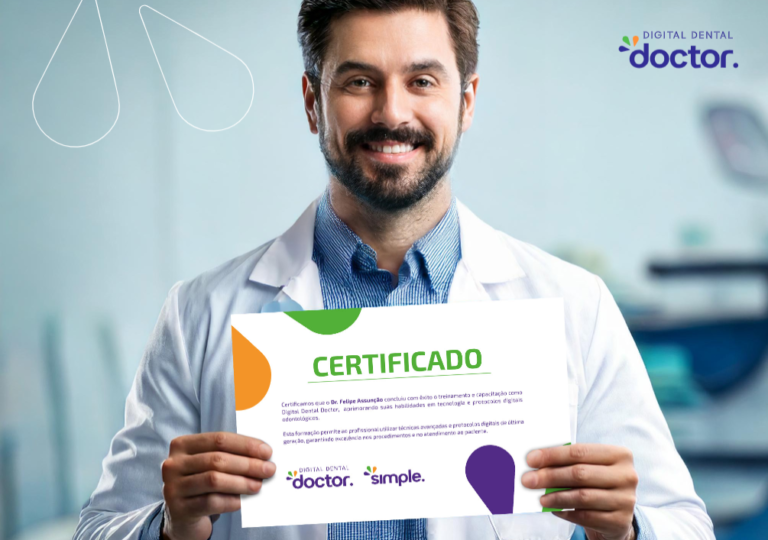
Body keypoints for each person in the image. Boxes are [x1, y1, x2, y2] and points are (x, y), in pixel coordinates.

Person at [74, 1, 715, 539]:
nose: (392, 113)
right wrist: (169, 526)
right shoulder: (199, 315)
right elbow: (100, 527)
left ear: (466, 101)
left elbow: (685, 524)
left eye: (422, 81)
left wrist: (629, 528)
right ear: (312, 102)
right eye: (359, 81)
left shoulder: (576, 306)